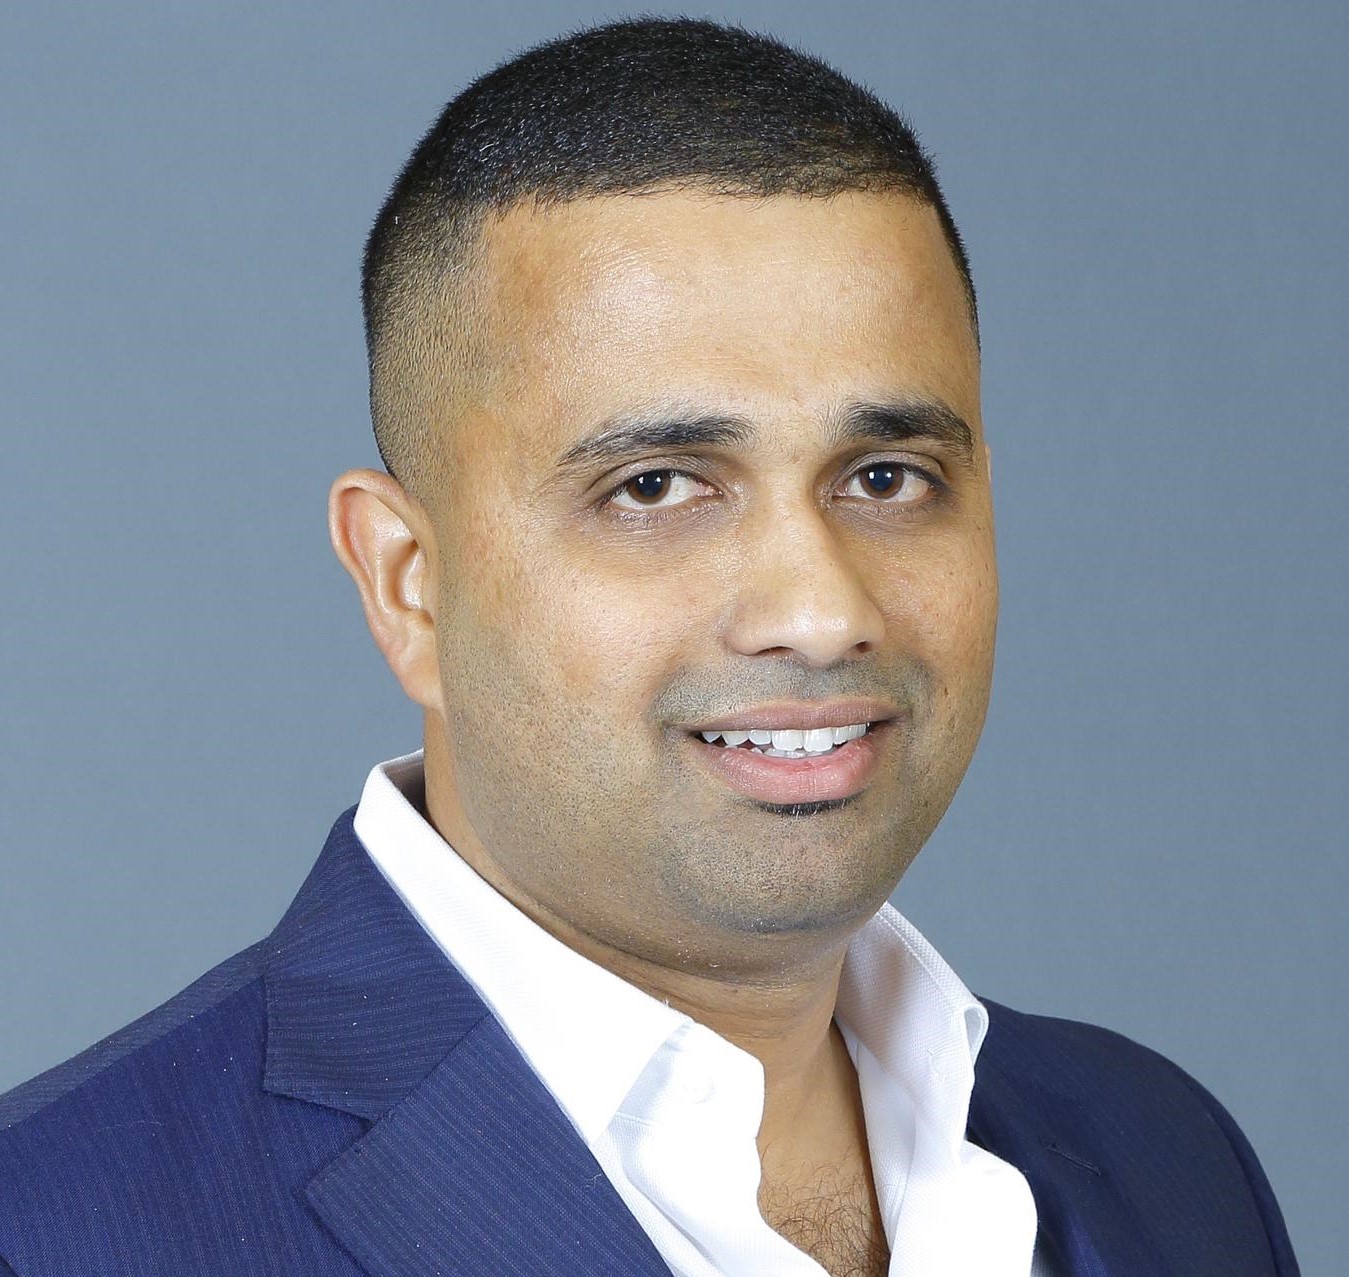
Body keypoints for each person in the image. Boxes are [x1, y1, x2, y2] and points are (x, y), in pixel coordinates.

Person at [0, 17, 1298, 1277]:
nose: (818, 609)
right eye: (657, 487)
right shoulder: (51, 1232)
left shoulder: (1166, 1160)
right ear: (409, 585)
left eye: (887, 476)